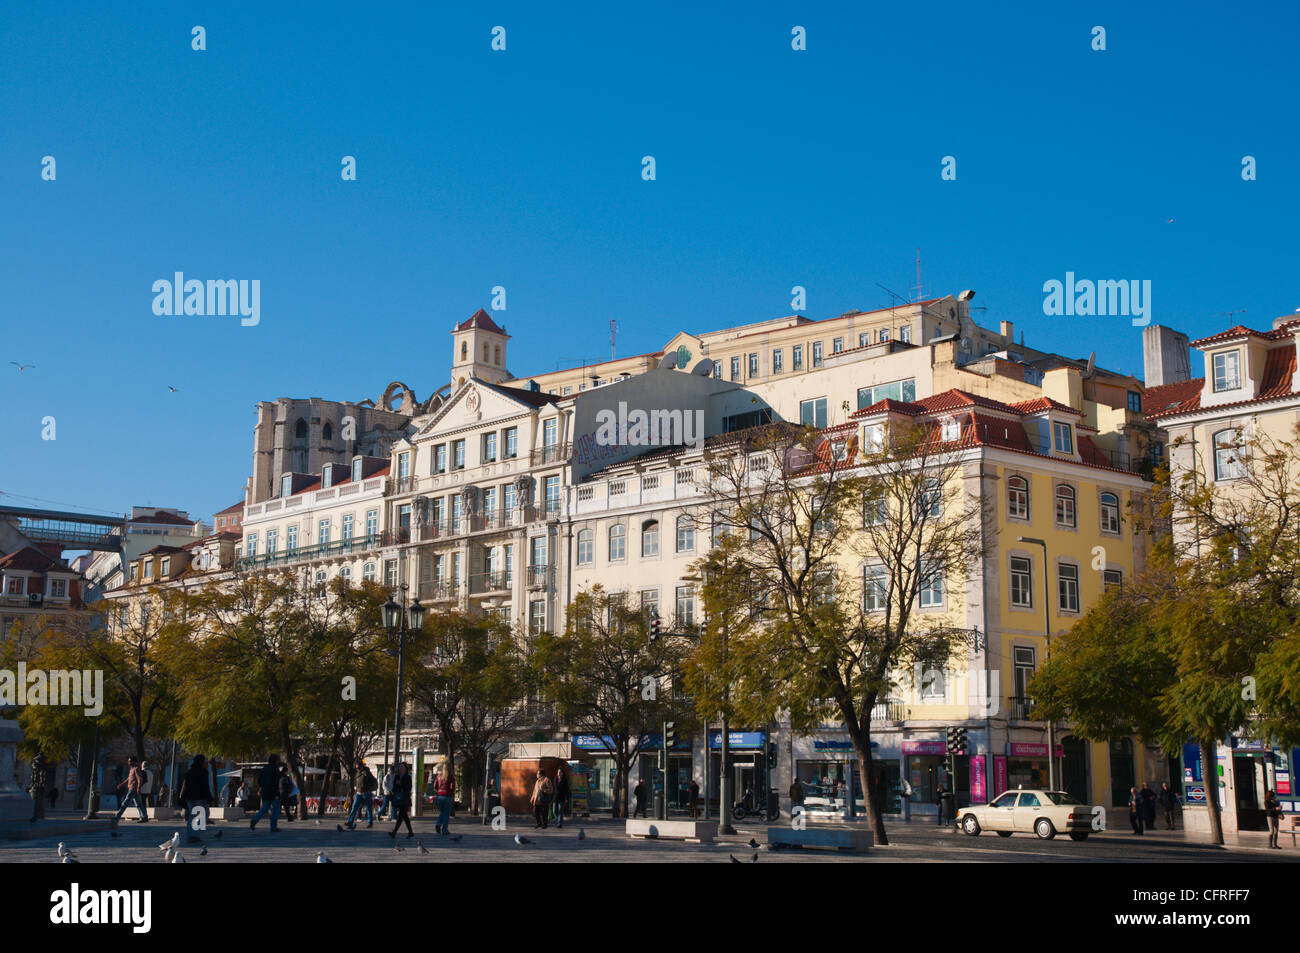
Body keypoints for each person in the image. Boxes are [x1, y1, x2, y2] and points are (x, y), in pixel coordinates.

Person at [178, 754, 212, 843]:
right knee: (203, 815)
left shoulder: (189, 772)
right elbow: (205, 786)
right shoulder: (203, 772)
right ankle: (195, 835)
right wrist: (209, 798)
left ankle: (190, 835)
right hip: (199, 797)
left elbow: (186, 785)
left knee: (192, 816)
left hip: (189, 797)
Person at [249, 754, 282, 832]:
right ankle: (273, 827)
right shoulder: (275, 769)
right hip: (273, 793)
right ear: (275, 760)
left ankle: (254, 820)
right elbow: (275, 783)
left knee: (264, 809)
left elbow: (259, 780)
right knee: (275, 810)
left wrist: (261, 788)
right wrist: (276, 794)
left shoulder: (264, 769)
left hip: (265, 792)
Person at [115, 756, 149, 823]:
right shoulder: (131, 769)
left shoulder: (136, 769)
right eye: (128, 761)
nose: (129, 762)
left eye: (130, 761)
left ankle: (117, 817)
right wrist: (121, 784)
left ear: (134, 762)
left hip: (133, 789)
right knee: (138, 804)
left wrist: (139, 788)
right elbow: (128, 779)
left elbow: (140, 779)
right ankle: (144, 817)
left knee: (125, 803)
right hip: (132, 789)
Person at [346, 761, 377, 829]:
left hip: (366, 793)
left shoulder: (367, 773)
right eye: (356, 768)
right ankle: (350, 821)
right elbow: (357, 784)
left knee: (368, 808)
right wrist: (355, 792)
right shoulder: (357, 774)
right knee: (354, 807)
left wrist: (369, 788)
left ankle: (370, 822)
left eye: (358, 768)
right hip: (358, 793)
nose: (357, 769)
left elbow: (373, 781)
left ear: (362, 767)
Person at [388, 762, 414, 839]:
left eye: (402, 766)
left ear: (406, 768)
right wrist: (392, 791)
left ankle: (394, 832)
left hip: (405, 798)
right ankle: (410, 832)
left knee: (401, 815)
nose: (400, 768)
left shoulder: (408, 777)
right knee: (404, 816)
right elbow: (394, 786)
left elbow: (409, 787)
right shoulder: (397, 776)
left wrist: (401, 783)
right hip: (398, 798)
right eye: (400, 767)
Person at [432, 762, 455, 835]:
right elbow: (452, 787)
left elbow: (435, 786)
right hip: (447, 796)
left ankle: (438, 824)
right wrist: (451, 792)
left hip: (439, 797)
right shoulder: (451, 777)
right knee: (446, 814)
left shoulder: (439, 776)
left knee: (442, 812)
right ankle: (444, 830)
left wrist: (438, 791)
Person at [27, 752, 49, 821]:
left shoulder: (39, 767)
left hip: (37, 787)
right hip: (36, 787)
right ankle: (37, 814)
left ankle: (37, 814)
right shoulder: (36, 770)